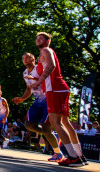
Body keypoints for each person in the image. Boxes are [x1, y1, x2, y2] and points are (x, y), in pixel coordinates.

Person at [31, 32, 86, 167]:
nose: (38, 40)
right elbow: (48, 69)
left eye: (41, 38)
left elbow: (51, 65)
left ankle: (73, 157)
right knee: (65, 122)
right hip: (58, 88)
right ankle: (79, 156)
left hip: (55, 89)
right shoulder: (43, 53)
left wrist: (39, 81)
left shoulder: (46, 50)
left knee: (55, 122)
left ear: (48, 40)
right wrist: (37, 80)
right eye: (37, 38)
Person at [12, 52, 64, 162]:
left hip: (48, 100)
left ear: (33, 59)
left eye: (28, 57)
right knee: (28, 125)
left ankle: (58, 153)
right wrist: (22, 98)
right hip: (37, 101)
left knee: (45, 127)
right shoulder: (25, 72)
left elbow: (47, 80)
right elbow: (28, 88)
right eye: (23, 58)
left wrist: (36, 80)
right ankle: (50, 134)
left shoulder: (39, 68)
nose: (25, 59)